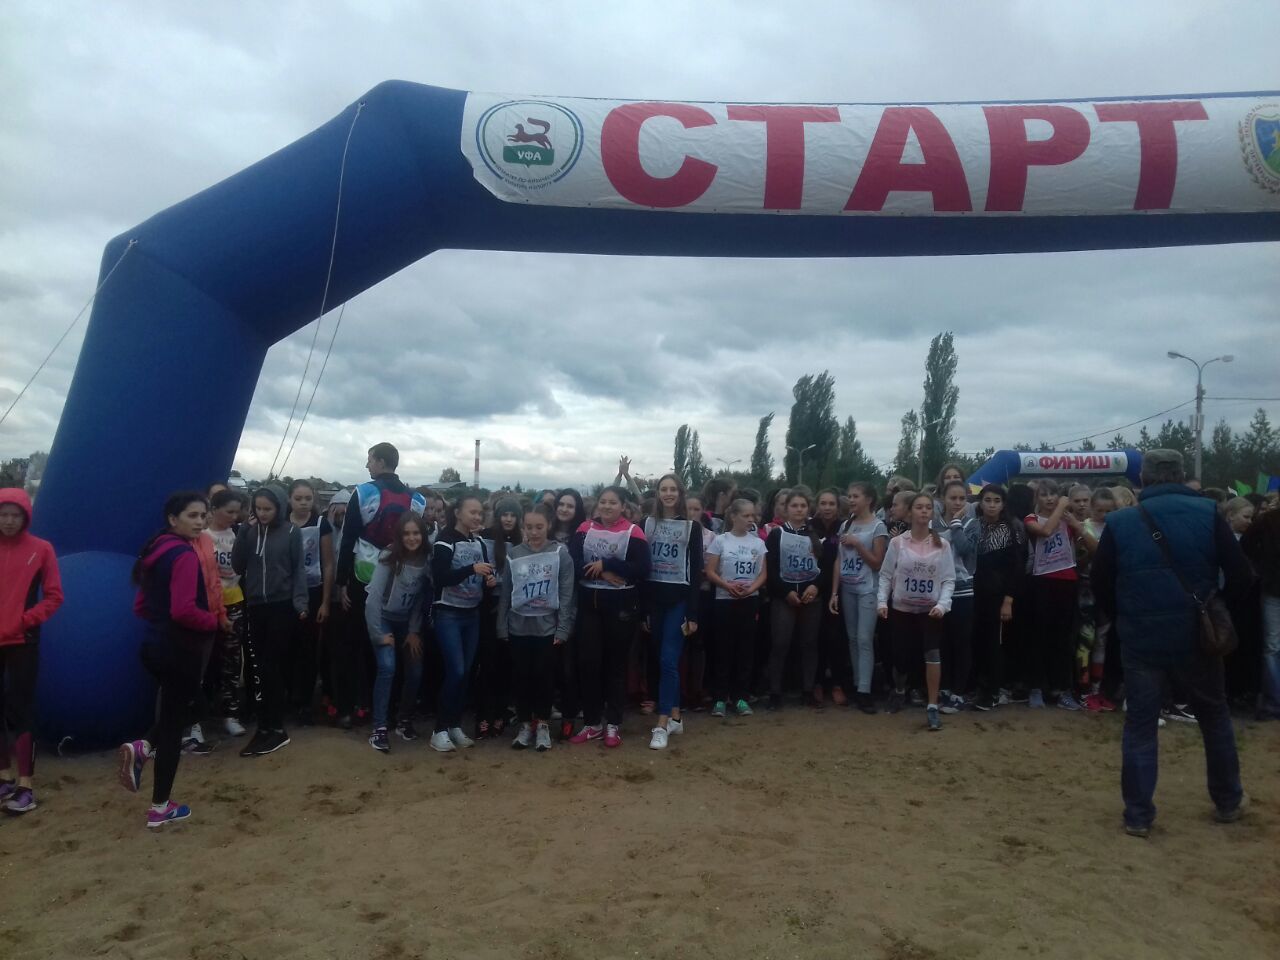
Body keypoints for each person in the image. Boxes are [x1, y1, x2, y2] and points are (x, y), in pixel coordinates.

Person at [1092, 449, 1253, 837]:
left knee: (1141, 724)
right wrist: (1215, 608)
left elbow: (1100, 581)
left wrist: (1125, 615)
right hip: (1197, 634)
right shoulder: (1209, 513)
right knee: (1214, 715)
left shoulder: (1121, 521)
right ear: (1181, 476)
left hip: (1141, 637)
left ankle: (1138, 815)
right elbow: (1241, 575)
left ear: (1142, 479)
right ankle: (1228, 801)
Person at [118, 493, 218, 828]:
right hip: (179, 650)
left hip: (154, 647)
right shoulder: (183, 555)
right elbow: (184, 610)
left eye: (203, 515)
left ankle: (145, 746)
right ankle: (160, 807)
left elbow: (140, 606)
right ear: (173, 519)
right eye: (192, 515)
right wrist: (212, 621)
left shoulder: (155, 549)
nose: (200, 522)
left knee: (193, 710)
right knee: (176, 726)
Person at [335, 443, 426, 729]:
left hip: (363, 576)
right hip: (401, 579)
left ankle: (353, 707)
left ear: (381, 462)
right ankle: (389, 709)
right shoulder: (417, 499)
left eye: (370, 460)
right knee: (392, 648)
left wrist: (341, 582)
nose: (367, 466)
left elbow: (347, 539)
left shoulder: (363, 492)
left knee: (355, 644)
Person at [569, 486, 650, 747]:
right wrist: (600, 572)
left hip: (621, 606)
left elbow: (642, 568)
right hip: (589, 604)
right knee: (589, 663)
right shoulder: (584, 528)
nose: (606, 506)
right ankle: (592, 723)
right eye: (603, 501)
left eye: (613, 502)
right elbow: (573, 563)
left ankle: (613, 723)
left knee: (616, 665)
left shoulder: (633, 532)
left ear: (623, 506)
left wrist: (608, 564)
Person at [231, 484, 308, 757]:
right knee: (259, 669)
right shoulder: (249, 532)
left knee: (271, 666)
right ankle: (265, 726)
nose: (263, 513)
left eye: (268, 509)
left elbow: (298, 569)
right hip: (255, 606)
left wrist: (301, 603)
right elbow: (238, 565)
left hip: (282, 606)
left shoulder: (292, 532)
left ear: (279, 508)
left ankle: (275, 728)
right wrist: (243, 532)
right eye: (259, 508)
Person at [0, 488, 63, 815]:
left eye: (15, 515)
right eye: (3, 515)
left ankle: (26, 787)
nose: (9, 521)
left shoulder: (41, 549)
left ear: (26, 517)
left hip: (22, 641)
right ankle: (3, 778)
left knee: (20, 710)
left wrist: (25, 620)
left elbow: (54, 596)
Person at [496, 505, 576, 752]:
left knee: (544, 677)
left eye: (539, 527)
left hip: (547, 628)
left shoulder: (560, 553)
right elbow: (506, 592)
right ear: (523, 527)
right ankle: (524, 724)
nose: (534, 532)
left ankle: (542, 724)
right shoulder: (514, 554)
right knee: (521, 677)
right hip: (518, 627)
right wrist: (501, 626)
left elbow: (567, 593)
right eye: (529, 527)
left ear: (548, 525)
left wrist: (563, 628)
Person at [878, 492, 956, 731]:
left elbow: (948, 579)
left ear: (932, 512)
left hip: (930, 611)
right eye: (919, 507)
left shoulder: (942, 544)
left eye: (928, 507)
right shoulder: (897, 543)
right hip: (901, 609)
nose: (923, 511)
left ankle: (932, 706)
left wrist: (942, 605)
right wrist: (882, 602)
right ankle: (900, 690)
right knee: (900, 657)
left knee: (932, 653)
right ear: (910, 512)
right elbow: (886, 575)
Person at [642, 474, 703, 750]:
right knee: (662, 660)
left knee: (668, 660)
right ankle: (676, 715)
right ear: (657, 493)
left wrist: (693, 614)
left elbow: (696, 570)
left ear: (680, 493)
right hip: (654, 601)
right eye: (663, 489)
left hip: (679, 600)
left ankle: (662, 724)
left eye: (673, 489)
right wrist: (643, 610)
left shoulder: (692, 527)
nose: (668, 493)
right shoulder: (646, 524)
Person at [429, 493, 494, 753]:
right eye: (472, 512)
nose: (477, 517)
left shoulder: (479, 542)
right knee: (455, 670)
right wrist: (472, 570)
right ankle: (439, 729)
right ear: (457, 513)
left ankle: (454, 724)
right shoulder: (444, 540)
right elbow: (440, 577)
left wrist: (489, 580)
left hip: (471, 613)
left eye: (480, 513)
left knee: (466, 672)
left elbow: (483, 575)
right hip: (448, 613)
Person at [364, 513, 431, 753]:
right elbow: (373, 598)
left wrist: (413, 630)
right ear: (399, 536)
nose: (412, 538)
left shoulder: (427, 558)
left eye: (416, 533)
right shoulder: (389, 556)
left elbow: (420, 598)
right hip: (383, 618)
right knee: (387, 666)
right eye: (406, 533)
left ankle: (404, 719)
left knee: (416, 668)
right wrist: (377, 634)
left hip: (407, 621)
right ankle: (379, 727)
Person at [1024, 479, 1084, 710]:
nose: (1049, 498)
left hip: (1067, 580)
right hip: (1041, 581)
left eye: (1053, 494)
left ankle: (1062, 689)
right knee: (1039, 636)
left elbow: (1083, 537)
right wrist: (1061, 506)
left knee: (1064, 638)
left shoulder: (1068, 519)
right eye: (1044, 494)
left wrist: (1075, 521)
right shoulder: (1031, 518)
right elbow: (1046, 531)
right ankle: (1036, 687)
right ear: (1037, 498)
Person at [705, 499, 768, 718]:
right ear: (733, 516)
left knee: (745, 650)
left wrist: (751, 589)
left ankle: (741, 697)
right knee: (723, 649)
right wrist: (727, 586)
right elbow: (710, 571)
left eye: (753, 516)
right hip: (724, 600)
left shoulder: (758, 543)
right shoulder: (720, 540)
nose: (751, 519)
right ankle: (720, 698)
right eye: (746, 515)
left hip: (749, 601)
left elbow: (763, 574)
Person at [829, 482, 887, 714]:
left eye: (856, 496)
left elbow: (877, 563)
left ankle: (865, 691)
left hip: (868, 589)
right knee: (852, 638)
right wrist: (834, 591)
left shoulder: (878, 526)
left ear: (869, 500)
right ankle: (857, 684)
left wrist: (858, 544)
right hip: (848, 588)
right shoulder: (846, 524)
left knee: (864, 639)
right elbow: (839, 560)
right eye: (849, 495)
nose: (851, 500)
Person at [764, 490, 824, 710]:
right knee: (780, 644)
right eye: (794, 506)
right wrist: (785, 592)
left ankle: (807, 691)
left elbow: (825, 566)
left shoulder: (816, 534)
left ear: (808, 509)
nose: (799, 510)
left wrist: (816, 586)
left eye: (803, 506)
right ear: (786, 509)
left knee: (809, 644)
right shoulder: (776, 534)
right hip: (784, 596)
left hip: (811, 596)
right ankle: (775, 693)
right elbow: (770, 569)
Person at [971, 484, 1023, 710]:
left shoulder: (1012, 529)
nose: (992, 505)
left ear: (1003, 504)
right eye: (987, 500)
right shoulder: (974, 526)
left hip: (999, 596)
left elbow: (1017, 568)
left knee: (995, 643)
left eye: (997, 501)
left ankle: (994, 692)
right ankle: (979, 687)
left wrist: (1008, 600)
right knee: (978, 640)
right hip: (975, 593)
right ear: (980, 503)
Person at [287, 480, 332, 726]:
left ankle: (304, 703)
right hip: (285, 593)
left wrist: (325, 602)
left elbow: (328, 563)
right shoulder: (281, 523)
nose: (303, 503)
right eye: (298, 498)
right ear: (289, 500)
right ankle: (287, 697)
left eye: (308, 499)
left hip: (313, 591)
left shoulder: (320, 523)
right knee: (287, 646)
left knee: (308, 648)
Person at [475, 498, 522, 738]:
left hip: (512, 611)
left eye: (513, 515)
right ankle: (483, 715)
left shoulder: (523, 541)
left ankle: (501, 714)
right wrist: (486, 580)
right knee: (487, 663)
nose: (508, 519)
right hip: (488, 608)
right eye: (504, 514)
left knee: (506, 665)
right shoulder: (484, 537)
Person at [203, 490, 248, 735]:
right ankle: (198, 716)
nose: (234, 516)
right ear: (214, 510)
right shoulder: (202, 536)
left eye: (237, 512)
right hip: (208, 605)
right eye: (229, 511)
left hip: (234, 601)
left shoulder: (239, 533)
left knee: (232, 659)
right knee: (206, 660)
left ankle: (230, 713)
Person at [933, 480, 977, 713]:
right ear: (943, 499)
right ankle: (945, 688)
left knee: (961, 643)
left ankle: (959, 693)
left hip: (962, 591)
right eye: (953, 498)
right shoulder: (933, 523)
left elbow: (965, 549)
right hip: (937, 591)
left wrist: (956, 524)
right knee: (942, 643)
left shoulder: (972, 523)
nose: (958, 502)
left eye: (962, 498)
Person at [1241, 502, 1280, 720]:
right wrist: (1264, 569)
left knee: (1272, 647)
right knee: (1272, 646)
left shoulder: (1267, 520)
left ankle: (1273, 700)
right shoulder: (1268, 520)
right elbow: (1246, 547)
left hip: (1272, 588)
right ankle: (1274, 701)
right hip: (1274, 589)